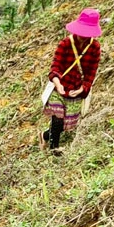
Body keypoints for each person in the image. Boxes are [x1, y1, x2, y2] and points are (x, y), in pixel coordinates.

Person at [41, 9, 102, 155]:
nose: (82, 36)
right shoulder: (66, 43)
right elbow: (55, 66)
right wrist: (58, 83)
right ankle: (54, 150)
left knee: (65, 124)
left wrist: (83, 88)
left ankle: (44, 136)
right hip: (60, 87)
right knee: (57, 119)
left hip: (76, 90)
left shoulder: (94, 48)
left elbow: (91, 73)